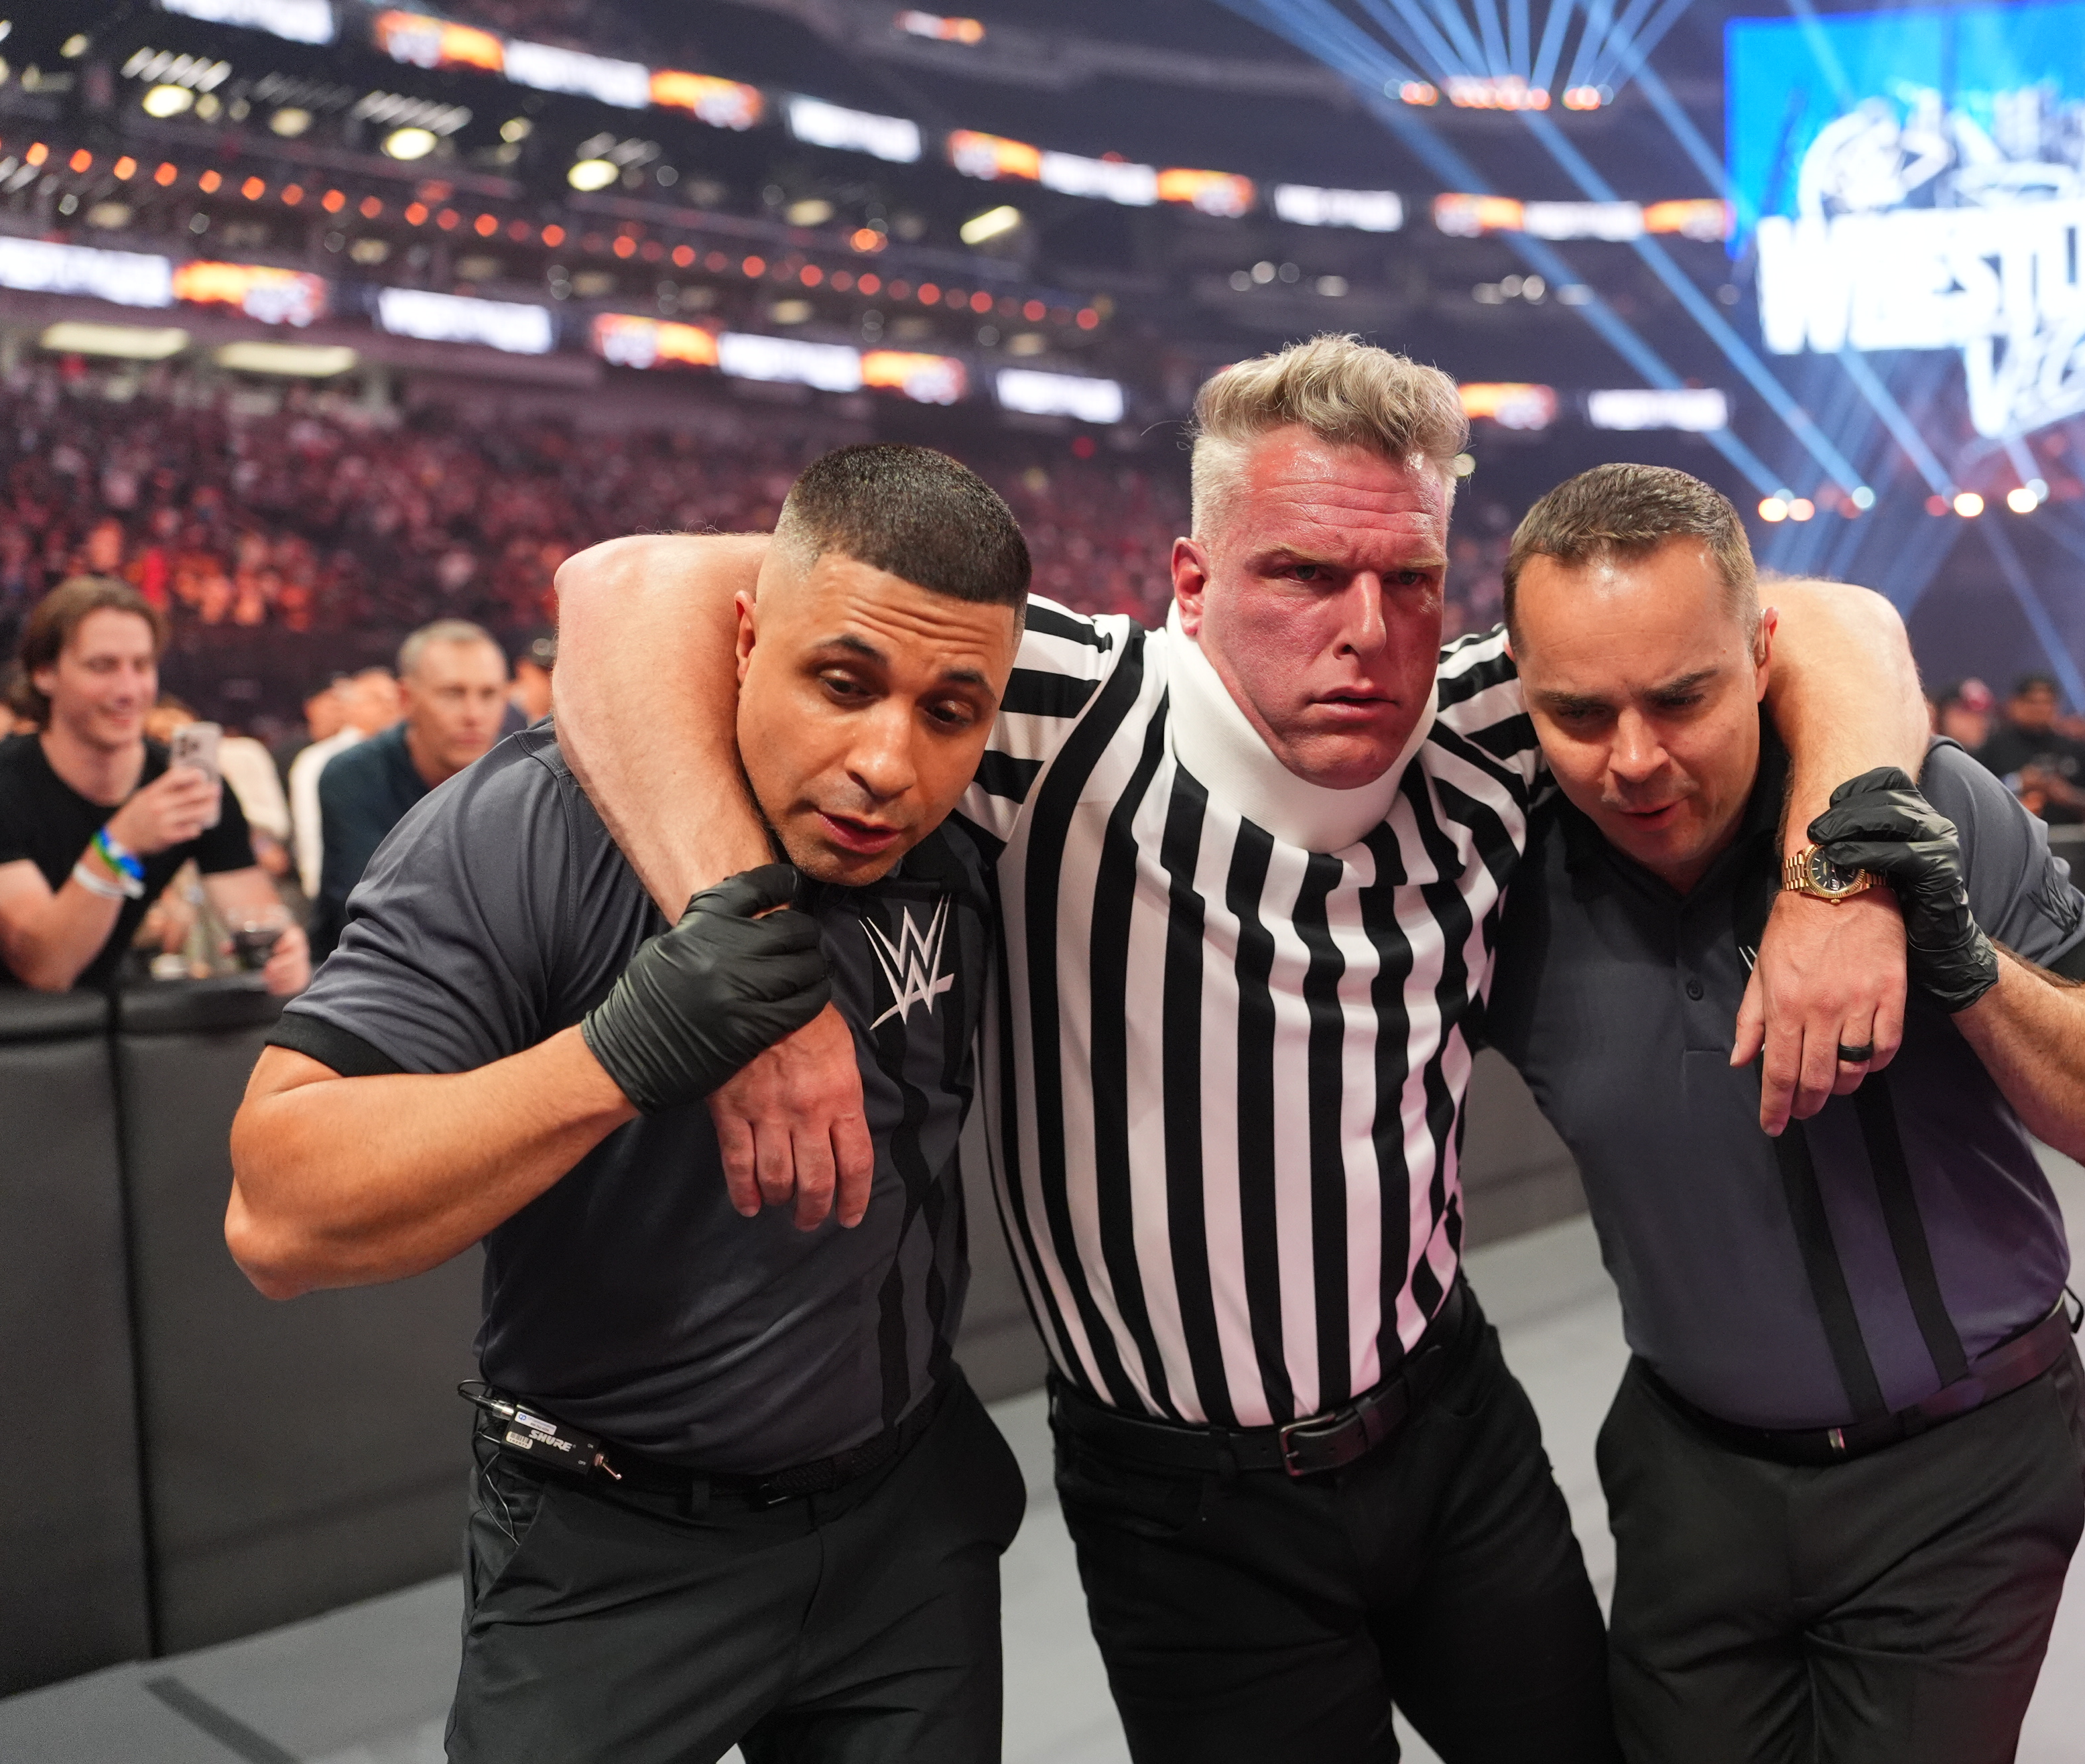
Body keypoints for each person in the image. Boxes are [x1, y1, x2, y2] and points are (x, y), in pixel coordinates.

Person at [550, 336, 1932, 1763]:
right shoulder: (1059, 709)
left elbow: (1835, 624)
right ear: (1193, 581)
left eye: (1409, 579)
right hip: (1180, 1503)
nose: (1368, 629)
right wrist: (749, 968)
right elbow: (622, 591)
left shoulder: (1493, 722)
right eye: (1302, 573)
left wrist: (1839, 878)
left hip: (1450, 1425)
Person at [227, 444, 1033, 1763]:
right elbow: (277, 1213)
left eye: (950, 711)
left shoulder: (974, 830)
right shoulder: (530, 826)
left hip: (905, 1520)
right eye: (841, 683)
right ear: (745, 638)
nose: (889, 760)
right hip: (610, 1547)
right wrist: (624, 1049)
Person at [1479, 466, 2085, 1763]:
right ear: (1521, 687)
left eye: (1681, 698)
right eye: (1579, 713)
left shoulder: (1924, 806)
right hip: (1689, 1478)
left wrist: (1967, 968)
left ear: (1761, 653)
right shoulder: (1496, 878)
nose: (1635, 758)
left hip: (1958, 1479)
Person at [0, 578, 309, 993]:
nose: (129, 690)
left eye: (142, 666)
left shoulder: (183, 784)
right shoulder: (6, 783)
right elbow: (46, 969)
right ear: (44, 673)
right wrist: (120, 843)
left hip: (105, 1011)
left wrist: (285, 952)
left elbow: (259, 920)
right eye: (102, 666)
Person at [311, 622, 511, 952]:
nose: (474, 715)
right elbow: (370, 918)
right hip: (370, 971)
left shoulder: (526, 775)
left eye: (489, 694)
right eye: (453, 694)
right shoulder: (353, 776)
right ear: (406, 699)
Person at [289, 668, 400, 899]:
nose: (389, 706)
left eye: (394, 699)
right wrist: (317, 889)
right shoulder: (319, 760)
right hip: (348, 890)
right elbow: (311, 830)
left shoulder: (412, 758)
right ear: (352, 707)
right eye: (377, 699)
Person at [1975, 674, 2085, 824]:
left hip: (2069, 835)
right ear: (2015, 704)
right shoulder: (1994, 748)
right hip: (2012, 835)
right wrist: (2017, 783)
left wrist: (2070, 796)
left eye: (2047, 702)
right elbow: (1974, 796)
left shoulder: (2077, 749)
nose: (2040, 709)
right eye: (2032, 702)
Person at [511, 635, 556, 724]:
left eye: (554, 671)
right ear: (523, 670)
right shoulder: (501, 714)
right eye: (544, 673)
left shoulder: (561, 719)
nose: (551, 680)